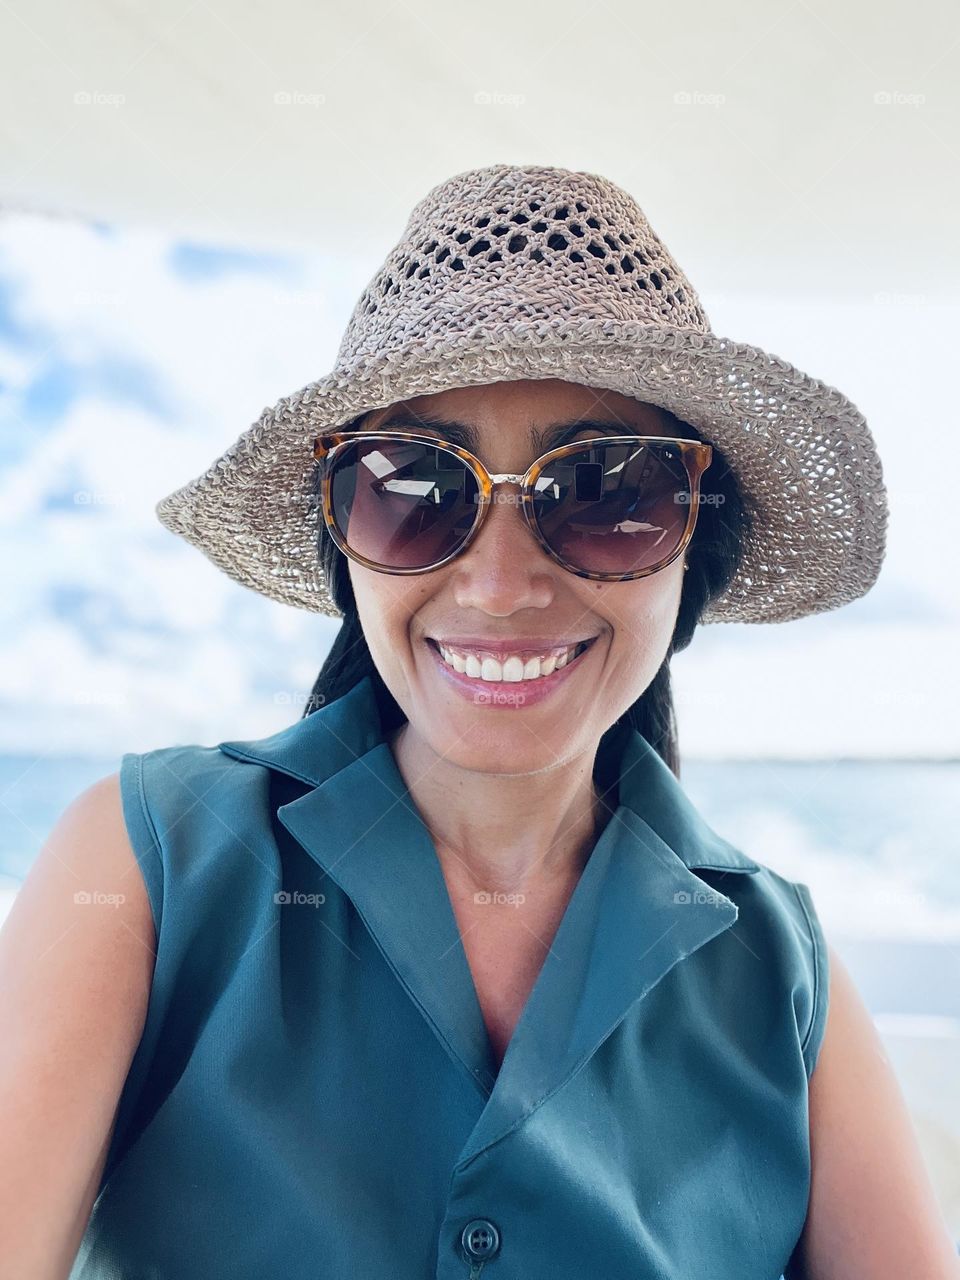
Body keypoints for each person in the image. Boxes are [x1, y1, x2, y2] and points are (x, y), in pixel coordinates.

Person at [2, 164, 957, 1279]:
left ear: (694, 542)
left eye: (606, 492)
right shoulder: (147, 859)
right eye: (413, 483)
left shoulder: (781, 967)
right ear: (342, 536)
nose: (500, 586)